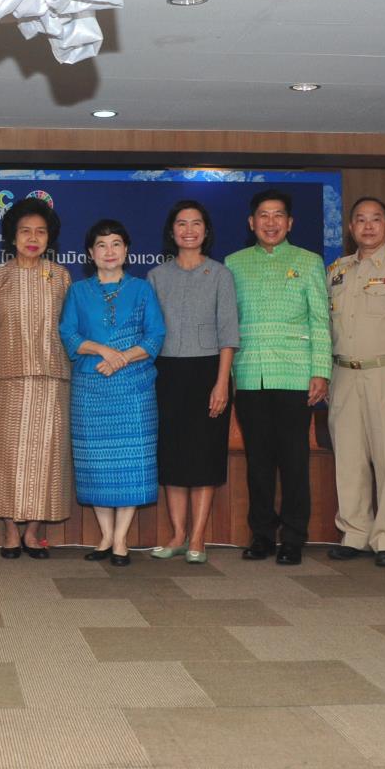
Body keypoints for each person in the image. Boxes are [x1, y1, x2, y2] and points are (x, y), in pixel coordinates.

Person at [224, 189, 331, 566]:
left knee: (294, 460)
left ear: (290, 222)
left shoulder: (309, 261)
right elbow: (228, 323)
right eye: (263, 216)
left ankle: (294, 537)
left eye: (278, 215)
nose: (271, 223)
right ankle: (262, 535)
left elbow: (320, 320)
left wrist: (321, 371)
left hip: (295, 374)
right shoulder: (233, 263)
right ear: (251, 223)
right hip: (249, 374)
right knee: (258, 462)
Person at [324, 197, 385, 568]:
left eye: (376, 220)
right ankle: (354, 533)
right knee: (349, 461)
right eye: (361, 220)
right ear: (351, 228)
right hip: (343, 375)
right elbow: (326, 327)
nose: (368, 227)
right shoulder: (336, 271)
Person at [59, 218, 165, 566]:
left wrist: (121, 360)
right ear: (90, 253)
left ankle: (121, 539)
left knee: (131, 461)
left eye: (116, 244)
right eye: (101, 245)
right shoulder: (78, 291)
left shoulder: (142, 289)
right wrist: (104, 351)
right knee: (96, 462)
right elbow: (69, 334)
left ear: (126, 250)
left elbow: (155, 336)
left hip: (134, 388)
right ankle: (105, 535)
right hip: (91, 387)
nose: (109, 251)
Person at [147, 200, 237, 564]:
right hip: (166, 373)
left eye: (196, 223)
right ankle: (177, 534)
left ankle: (198, 537)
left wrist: (221, 383)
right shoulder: (156, 276)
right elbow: (149, 332)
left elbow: (228, 334)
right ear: (172, 231)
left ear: (206, 230)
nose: (189, 230)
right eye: (181, 223)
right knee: (172, 458)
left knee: (203, 458)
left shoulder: (220, 274)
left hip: (208, 373)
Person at [0, 197, 71, 559]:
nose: (33, 238)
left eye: (40, 232)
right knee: (6, 457)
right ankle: (8, 532)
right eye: (25, 231)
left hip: (52, 378)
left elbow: (71, 330)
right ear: (12, 236)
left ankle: (33, 533)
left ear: (50, 237)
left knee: (47, 458)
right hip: (6, 379)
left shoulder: (61, 276)